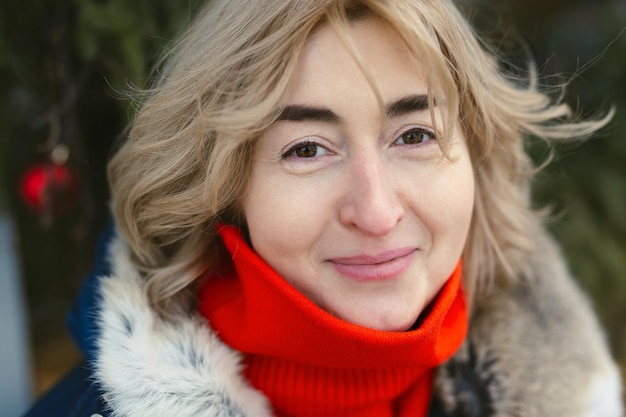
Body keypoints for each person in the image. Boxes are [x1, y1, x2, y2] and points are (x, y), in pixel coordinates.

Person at [25, 0, 623, 416]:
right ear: (223, 188)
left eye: (414, 135)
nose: (377, 210)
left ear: (474, 156)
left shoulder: (576, 393)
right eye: (307, 149)